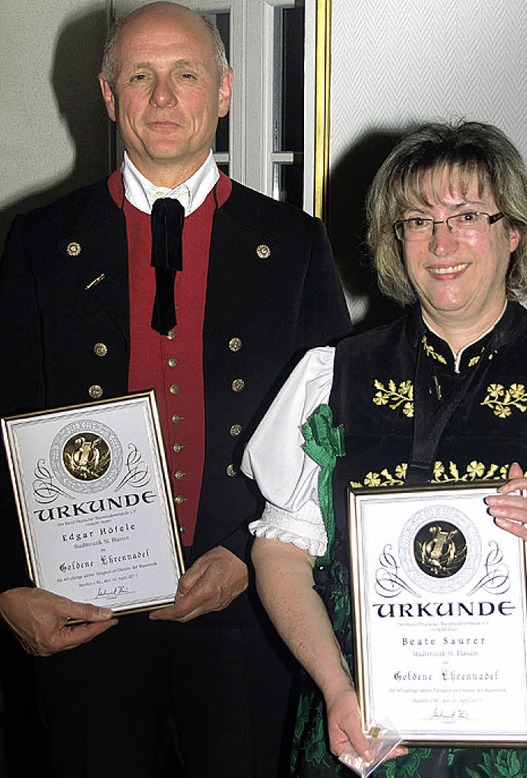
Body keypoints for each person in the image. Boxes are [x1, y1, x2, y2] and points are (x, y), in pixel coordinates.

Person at [0, 3, 350, 776]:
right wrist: (4, 588)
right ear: (106, 94)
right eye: (140, 77)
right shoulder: (36, 243)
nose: (163, 98)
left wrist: (243, 551)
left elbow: (333, 434)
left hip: (247, 610)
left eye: (185, 75)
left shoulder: (293, 244)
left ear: (223, 91)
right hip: (79, 614)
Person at [241, 120, 527, 777]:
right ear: (395, 242)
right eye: (417, 221)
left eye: (466, 215)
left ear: (513, 231)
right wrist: (334, 685)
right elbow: (282, 551)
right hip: (365, 734)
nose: (441, 241)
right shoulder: (330, 379)